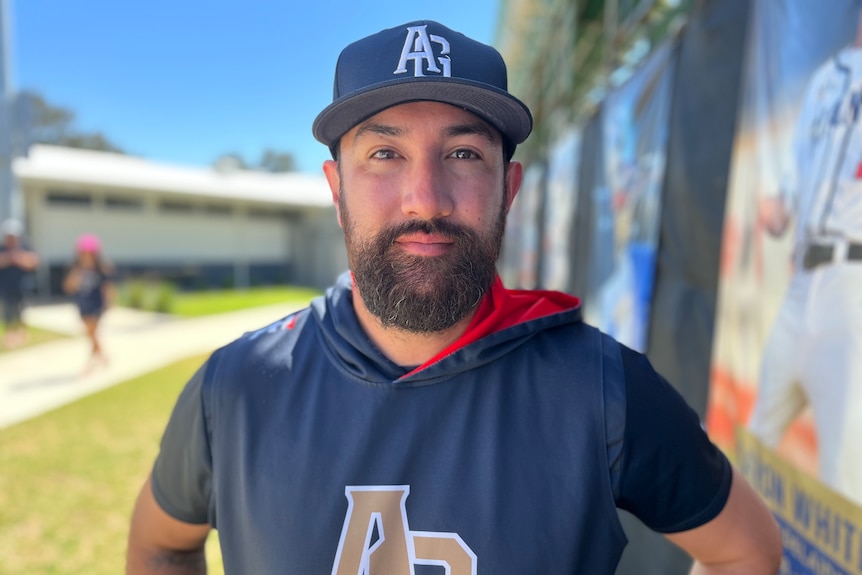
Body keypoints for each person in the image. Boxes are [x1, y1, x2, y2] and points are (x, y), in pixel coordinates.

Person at [127, 20, 781, 574]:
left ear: (510, 186)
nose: (426, 198)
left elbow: (747, 549)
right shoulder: (237, 386)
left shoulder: (602, 387)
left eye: (464, 154)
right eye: (385, 152)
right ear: (335, 188)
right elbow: (160, 541)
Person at [750, 9, 862, 506]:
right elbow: (789, 190)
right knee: (753, 451)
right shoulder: (824, 80)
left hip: (853, 285)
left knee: (846, 479)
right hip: (803, 285)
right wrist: (776, 208)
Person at [63, 233, 114, 373]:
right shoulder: (75, 269)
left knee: (92, 332)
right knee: (91, 334)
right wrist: (77, 274)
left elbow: (107, 288)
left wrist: (109, 303)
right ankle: (102, 355)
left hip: (96, 304)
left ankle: (90, 363)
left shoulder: (101, 269)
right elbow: (68, 287)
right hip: (82, 305)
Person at [0, 218, 40, 348]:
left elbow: (34, 262)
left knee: (20, 310)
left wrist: (18, 258)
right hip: (5, 286)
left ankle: (21, 334)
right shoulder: (2, 248)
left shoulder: (25, 247)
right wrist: (8, 258)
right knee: (7, 311)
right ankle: (10, 335)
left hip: (21, 286)